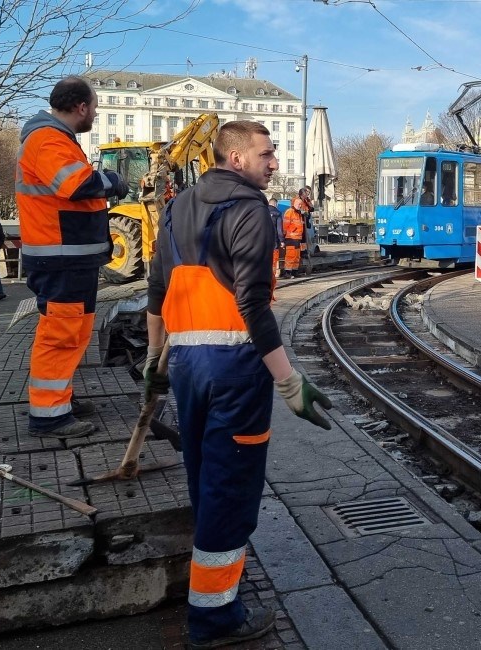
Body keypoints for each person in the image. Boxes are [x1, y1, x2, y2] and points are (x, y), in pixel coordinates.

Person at [144, 120, 332, 648]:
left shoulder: (178, 206)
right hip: (234, 369)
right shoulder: (250, 209)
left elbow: (156, 291)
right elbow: (251, 302)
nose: (273, 163)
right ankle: (214, 618)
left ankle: (215, 586)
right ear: (235, 158)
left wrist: (156, 359)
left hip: (186, 364)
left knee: (204, 477)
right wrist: (289, 381)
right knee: (231, 487)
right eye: (266, 154)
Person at [16, 76, 128, 437]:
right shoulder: (47, 139)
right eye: (94, 107)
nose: (94, 113)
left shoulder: (55, 140)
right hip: (59, 257)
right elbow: (76, 185)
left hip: (70, 257)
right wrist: (114, 180)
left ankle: (59, 398)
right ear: (81, 107)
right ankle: (48, 415)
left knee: (75, 332)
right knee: (61, 333)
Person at [281, 186, 310, 277]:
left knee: (297, 255)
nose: (300, 206)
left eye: (301, 205)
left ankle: (294, 271)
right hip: (291, 237)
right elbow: (285, 225)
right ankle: (288, 272)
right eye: (299, 205)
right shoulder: (290, 212)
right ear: (295, 204)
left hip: (297, 238)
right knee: (291, 255)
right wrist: (284, 235)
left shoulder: (299, 214)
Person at [267, 197, 284, 279]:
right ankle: (273, 274)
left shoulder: (262, 211)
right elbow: (279, 229)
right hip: (273, 239)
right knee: (274, 257)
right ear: (275, 204)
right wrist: (282, 240)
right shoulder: (277, 213)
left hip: (263, 239)